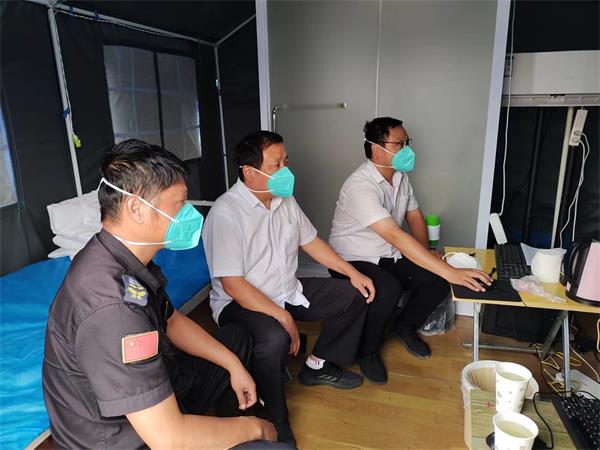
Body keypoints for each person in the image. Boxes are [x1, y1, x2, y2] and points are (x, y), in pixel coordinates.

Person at [42, 140, 288, 449]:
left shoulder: (121, 257)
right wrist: (255, 429)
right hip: (130, 439)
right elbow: (170, 440)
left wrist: (233, 365)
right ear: (136, 209)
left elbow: (171, 321)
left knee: (235, 340)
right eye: (180, 203)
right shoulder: (112, 308)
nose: (189, 214)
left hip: (160, 398)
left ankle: (235, 424)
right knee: (271, 443)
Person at [202, 131, 377, 446]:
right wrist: (283, 318)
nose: (286, 170)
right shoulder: (226, 214)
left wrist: (352, 273)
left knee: (354, 295)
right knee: (274, 338)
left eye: (286, 161)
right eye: (276, 164)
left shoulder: (284, 200)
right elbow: (233, 285)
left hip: (286, 290)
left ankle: (317, 365)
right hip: (239, 303)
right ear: (249, 172)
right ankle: (276, 418)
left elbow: (311, 242)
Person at [329, 117, 491, 365]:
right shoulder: (360, 186)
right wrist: (451, 272)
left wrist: (428, 254)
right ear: (376, 148)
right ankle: (368, 352)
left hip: (387, 253)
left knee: (436, 278)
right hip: (352, 258)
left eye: (407, 142)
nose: (407, 150)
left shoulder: (400, 177)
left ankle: (404, 327)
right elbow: (395, 234)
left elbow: (414, 216)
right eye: (399, 144)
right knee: (389, 289)